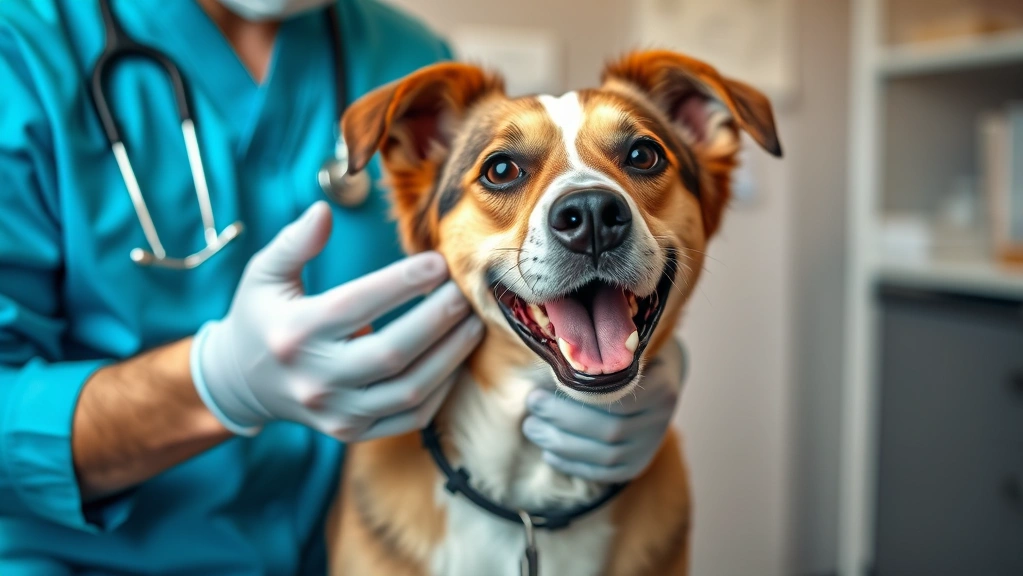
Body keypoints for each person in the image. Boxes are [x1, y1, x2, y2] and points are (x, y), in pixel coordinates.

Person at [0, 0, 687, 573]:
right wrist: (214, 384)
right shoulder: (24, 47)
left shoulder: (403, 56)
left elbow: (496, 276)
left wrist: (645, 348)